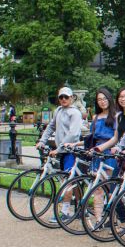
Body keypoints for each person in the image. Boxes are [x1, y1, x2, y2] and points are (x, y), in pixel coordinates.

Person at [36, 86, 83, 222]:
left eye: (66, 97)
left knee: (67, 181)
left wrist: (59, 148)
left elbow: (73, 134)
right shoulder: (58, 110)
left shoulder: (75, 113)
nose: (63, 99)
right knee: (72, 181)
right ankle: (81, 207)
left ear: (72, 98)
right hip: (62, 151)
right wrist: (42, 141)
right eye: (61, 97)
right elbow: (51, 126)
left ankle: (65, 211)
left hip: (70, 151)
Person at [74, 87, 118, 223]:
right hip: (97, 153)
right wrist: (76, 144)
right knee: (97, 189)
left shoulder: (116, 116)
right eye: (99, 99)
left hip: (109, 153)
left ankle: (113, 218)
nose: (102, 102)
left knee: (110, 187)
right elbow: (91, 138)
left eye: (104, 98)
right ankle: (99, 219)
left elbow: (116, 137)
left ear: (109, 99)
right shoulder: (96, 117)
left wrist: (103, 148)